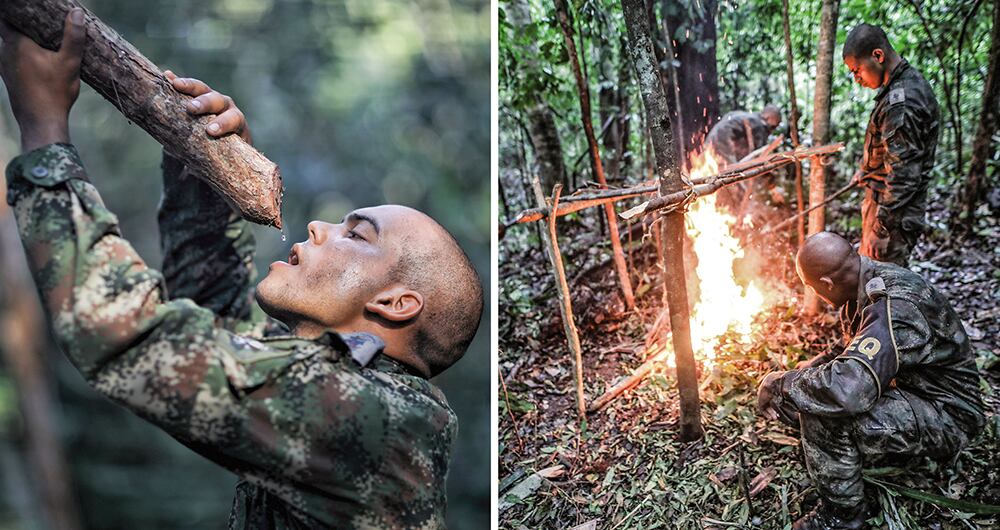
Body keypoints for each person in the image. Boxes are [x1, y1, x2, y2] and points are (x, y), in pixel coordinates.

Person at [0, 10, 483, 529]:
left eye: (356, 235)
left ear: (394, 304)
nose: (320, 226)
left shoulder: (380, 420)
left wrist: (45, 132)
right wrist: (203, 172)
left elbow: (121, 331)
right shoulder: (361, 394)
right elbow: (221, 324)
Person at [756, 232, 984, 529]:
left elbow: (848, 392)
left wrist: (783, 384)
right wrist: (808, 369)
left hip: (950, 414)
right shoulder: (863, 282)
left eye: (814, 289)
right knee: (810, 389)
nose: (819, 297)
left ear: (827, 284)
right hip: (917, 393)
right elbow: (853, 349)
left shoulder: (894, 304)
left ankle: (843, 518)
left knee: (823, 415)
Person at [843, 24, 940, 266]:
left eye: (857, 70)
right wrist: (866, 170)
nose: (857, 79)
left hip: (894, 216)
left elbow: (904, 174)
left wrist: (882, 228)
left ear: (878, 55)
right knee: (872, 280)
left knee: (882, 286)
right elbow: (891, 151)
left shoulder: (903, 101)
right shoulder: (898, 89)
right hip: (885, 205)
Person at [704, 105, 782, 165]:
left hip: (709, 141)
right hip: (722, 143)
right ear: (769, 117)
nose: (772, 130)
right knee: (733, 174)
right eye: (774, 126)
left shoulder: (743, 115)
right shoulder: (759, 124)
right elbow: (757, 155)